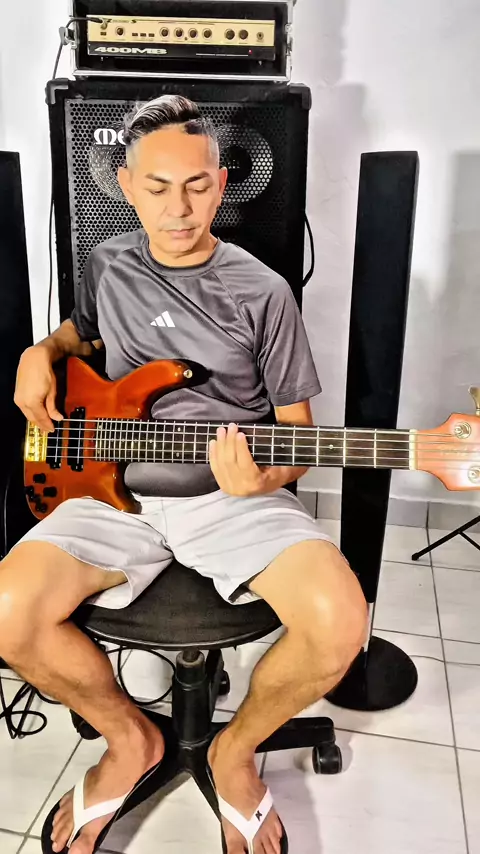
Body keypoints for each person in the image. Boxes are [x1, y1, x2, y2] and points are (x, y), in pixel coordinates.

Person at [1, 95, 367, 854]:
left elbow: (297, 436)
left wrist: (263, 480)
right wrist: (42, 351)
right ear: (126, 187)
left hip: (230, 497)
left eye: (198, 185)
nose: (179, 207)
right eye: (158, 187)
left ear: (222, 183)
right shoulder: (108, 263)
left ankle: (235, 754)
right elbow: (83, 334)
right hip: (109, 494)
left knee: (340, 622)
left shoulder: (264, 292)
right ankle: (129, 740)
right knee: (7, 611)